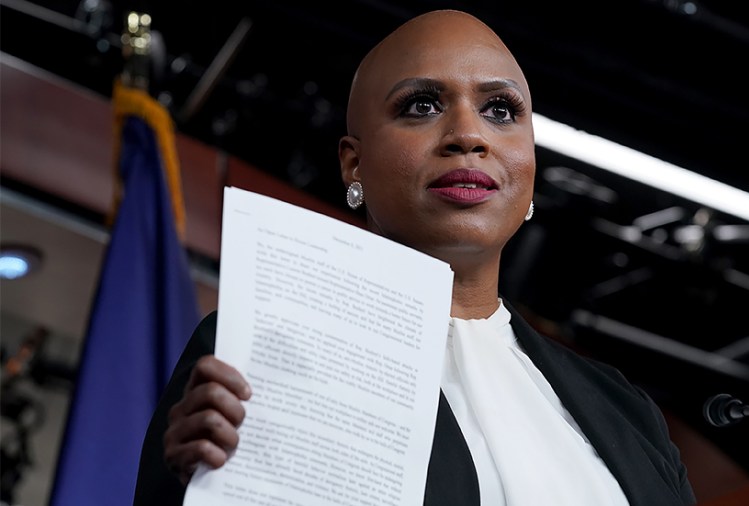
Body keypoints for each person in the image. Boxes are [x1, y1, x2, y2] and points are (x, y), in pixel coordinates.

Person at [134, 9, 696, 505]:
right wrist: (184, 487)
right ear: (354, 165)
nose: (469, 135)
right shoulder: (260, 352)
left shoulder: (626, 410)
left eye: (500, 110)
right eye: (422, 105)